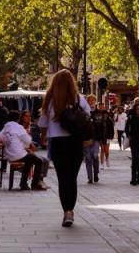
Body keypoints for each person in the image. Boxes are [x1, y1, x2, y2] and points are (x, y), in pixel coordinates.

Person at [37, 69, 92, 227]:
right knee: (72, 178)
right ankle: (70, 210)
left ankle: (66, 211)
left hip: (57, 143)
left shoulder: (50, 99)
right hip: (75, 142)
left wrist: (43, 137)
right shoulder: (79, 99)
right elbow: (88, 116)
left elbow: (43, 123)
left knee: (63, 179)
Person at [0, 110, 48, 191]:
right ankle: (34, 184)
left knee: (29, 160)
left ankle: (23, 184)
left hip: (9, 156)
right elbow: (27, 140)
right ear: (17, 119)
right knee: (39, 161)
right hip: (18, 154)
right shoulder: (18, 127)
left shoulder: (5, 128)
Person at [83, 95, 101, 184]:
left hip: (96, 138)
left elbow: (100, 127)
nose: (91, 102)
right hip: (86, 139)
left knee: (94, 155)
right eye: (89, 101)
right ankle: (90, 177)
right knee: (88, 158)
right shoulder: (84, 113)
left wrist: (101, 139)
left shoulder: (98, 113)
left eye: (93, 101)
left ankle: (96, 173)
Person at [96, 103, 115, 168]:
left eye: (106, 114)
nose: (105, 115)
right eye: (104, 114)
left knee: (106, 150)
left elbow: (112, 129)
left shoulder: (109, 121)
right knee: (102, 149)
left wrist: (112, 136)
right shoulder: (99, 121)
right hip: (102, 137)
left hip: (108, 137)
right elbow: (98, 129)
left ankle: (107, 159)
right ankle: (102, 164)